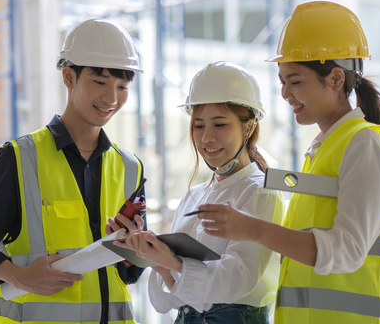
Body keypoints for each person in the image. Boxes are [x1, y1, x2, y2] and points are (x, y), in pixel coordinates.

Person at [197, 0, 380, 324]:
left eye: (296, 80)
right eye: (282, 81)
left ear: (335, 78)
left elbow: (346, 251)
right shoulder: (327, 150)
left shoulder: (364, 145)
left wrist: (252, 229)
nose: (286, 93)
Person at [0, 19, 148, 324]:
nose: (112, 98)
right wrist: (19, 277)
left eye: (122, 86)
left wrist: (136, 248)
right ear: (69, 77)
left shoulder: (131, 168)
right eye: (100, 82)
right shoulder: (19, 159)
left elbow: (130, 272)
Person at [114, 62, 285, 324]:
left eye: (219, 125)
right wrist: (151, 255)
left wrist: (174, 262)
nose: (206, 138)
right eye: (198, 126)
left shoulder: (259, 191)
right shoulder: (194, 195)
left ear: (248, 127)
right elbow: (173, 299)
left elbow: (238, 278)